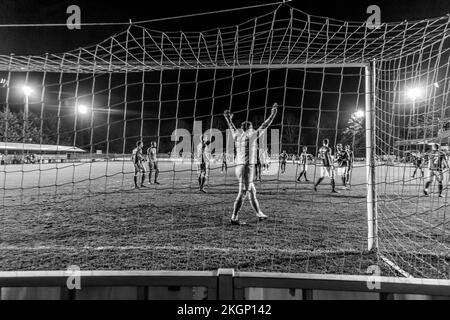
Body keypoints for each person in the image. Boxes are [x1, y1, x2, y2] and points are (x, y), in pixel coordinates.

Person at [223, 103, 278, 225]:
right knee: (242, 193)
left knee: (252, 191)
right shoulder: (252, 135)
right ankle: (234, 217)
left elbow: (231, 126)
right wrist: (273, 114)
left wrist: (227, 118)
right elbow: (265, 125)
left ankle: (259, 213)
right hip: (247, 168)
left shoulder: (237, 135)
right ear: (250, 128)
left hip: (239, 167)